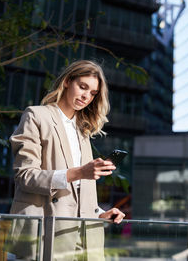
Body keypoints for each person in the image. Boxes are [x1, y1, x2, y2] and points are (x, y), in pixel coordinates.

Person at [7, 60, 125, 261]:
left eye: (93, 93)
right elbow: (25, 176)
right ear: (68, 81)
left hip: (82, 237)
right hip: (45, 231)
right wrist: (79, 172)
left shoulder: (82, 130)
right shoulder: (36, 116)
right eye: (83, 86)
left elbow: (76, 194)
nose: (86, 96)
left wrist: (100, 214)